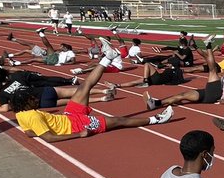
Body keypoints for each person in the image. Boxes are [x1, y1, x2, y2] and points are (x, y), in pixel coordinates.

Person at [11, 60, 173, 142]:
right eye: (33, 99)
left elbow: (29, 133)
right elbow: (48, 138)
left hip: (69, 116)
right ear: (26, 103)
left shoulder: (20, 114)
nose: (36, 100)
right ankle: (155, 119)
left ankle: (106, 58)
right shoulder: (32, 115)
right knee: (119, 121)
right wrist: (78, 134)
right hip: (78, 125)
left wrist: (40, 130)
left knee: (84, 86)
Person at [145, 49, 224, 110]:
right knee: (182, 95)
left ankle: (208, 45)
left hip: (216, 95)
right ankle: (156, 103)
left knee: (212, 69)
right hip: (208, 92)